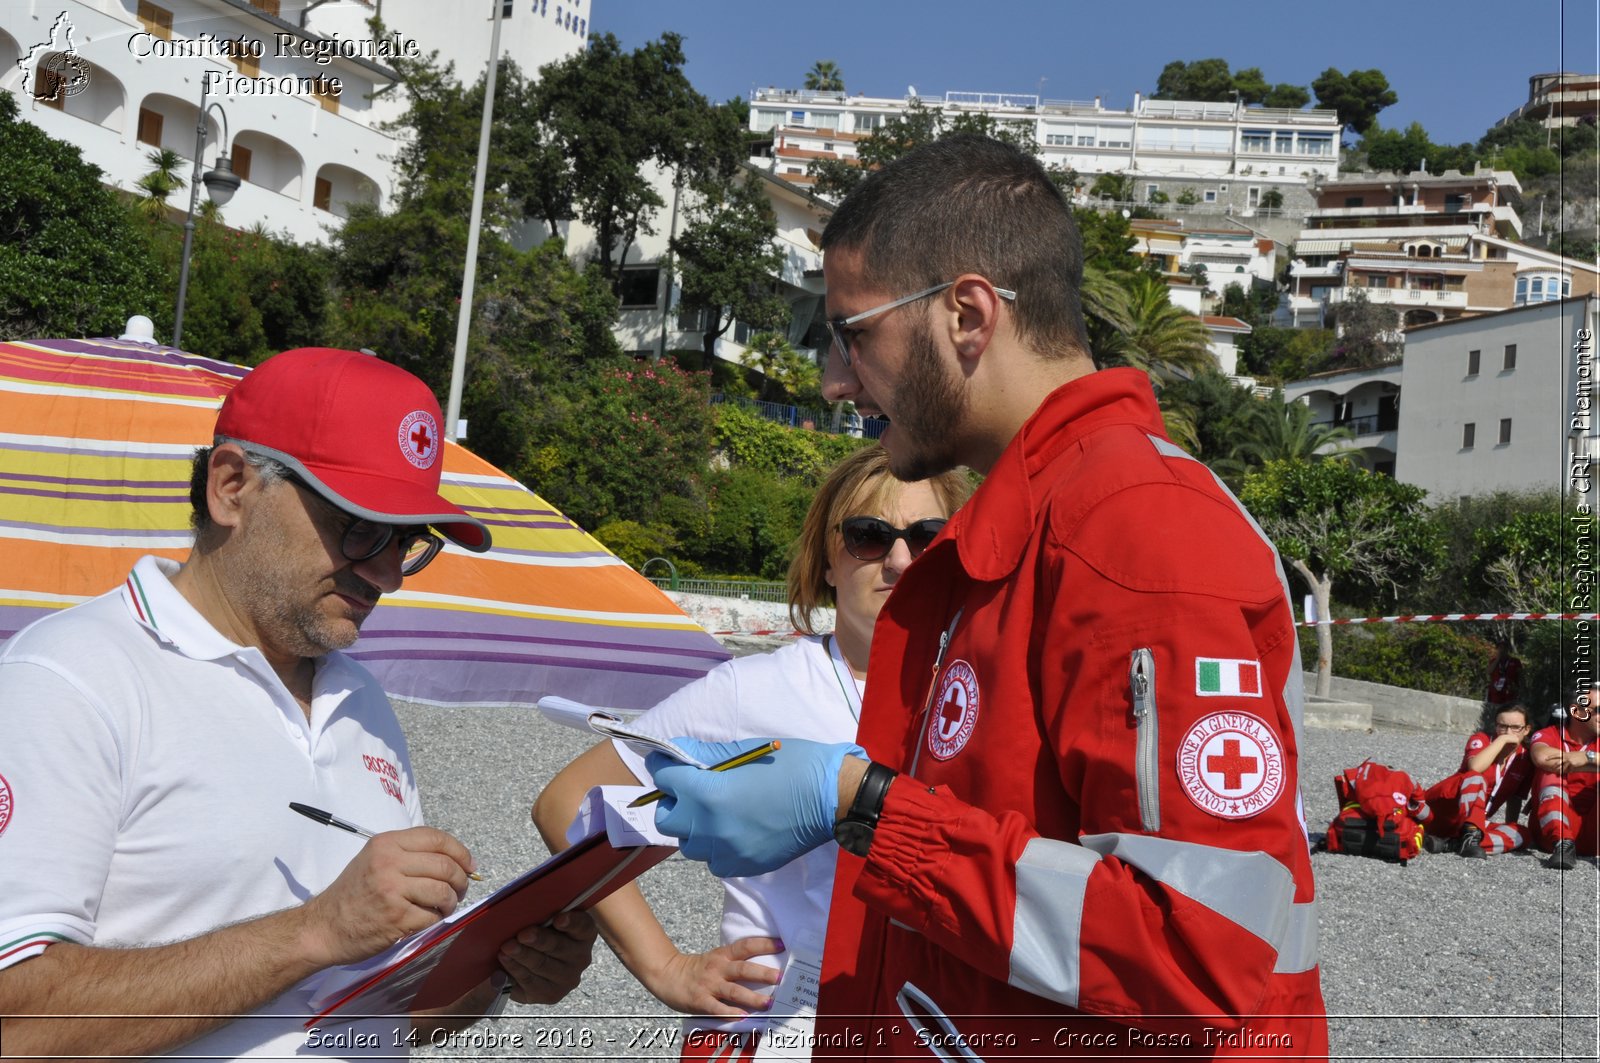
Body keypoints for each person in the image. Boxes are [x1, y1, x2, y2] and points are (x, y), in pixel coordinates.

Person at [644, 135, 1328, 1058]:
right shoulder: (1024, 527)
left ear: (968, 313)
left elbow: (1200, 952)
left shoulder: (1139, 528)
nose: (833, 379)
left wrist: (862, 806)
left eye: (851, 333)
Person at [0, 348, 596, 1058]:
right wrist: (314, 931)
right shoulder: (74, 677)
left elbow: (370, 1015)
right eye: (361, 527)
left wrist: (494, 971)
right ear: (231, 487)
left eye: (407, 542)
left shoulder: (358, 696)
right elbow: (19, 1024)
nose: (386, 575)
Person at [533, 446, 971, 1060]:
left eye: (927, 536)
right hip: (777, 1032)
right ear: (826, 558)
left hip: (927, 1030)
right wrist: (665, 968)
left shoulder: (981, 688)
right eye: (870, 536)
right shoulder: (755, 688)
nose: (901, 560)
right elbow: (567, 801)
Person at [1420, 704, 1534, 857]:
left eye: (1515, 727)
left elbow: (1515, 798)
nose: (1508, 732)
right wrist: (1502, 740)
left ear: (1526, 730)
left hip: (1470, 823)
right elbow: (1475, 767)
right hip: (1440, 810)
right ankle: (1469, 836)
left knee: (1522, 834)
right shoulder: (1481, 739)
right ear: (1495, 726)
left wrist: (1509, 825)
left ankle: (1454, 843)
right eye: (1502, 726)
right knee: (1475, 777)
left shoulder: (1524, 759)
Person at [1528, 683, 1600, 870]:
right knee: (1550, 771)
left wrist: (1587, 757)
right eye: (1598, 710)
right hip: (1552, 835)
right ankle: (1563, 843)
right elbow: (1543, 757)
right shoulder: (1549, 734)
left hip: (1593, 833)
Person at [1485, 638, 1522, 709]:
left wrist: (1519, 689)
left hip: (1510, 693)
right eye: (1500, 647)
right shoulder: (1493, 661)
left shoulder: (1515, 661)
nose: (1502, 649)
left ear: (1508, 649)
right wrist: (1497, 659)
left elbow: (1520, 676)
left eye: (1504, 647)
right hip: (1495, 692)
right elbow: (1488, 672)